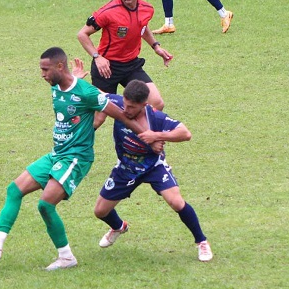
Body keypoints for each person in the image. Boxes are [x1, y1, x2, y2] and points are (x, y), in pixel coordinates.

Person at [0, 47, 154, 271]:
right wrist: (74, 76)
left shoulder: (87, 93)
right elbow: (67, 86)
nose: (42, 74)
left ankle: (66, 258)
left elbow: (121, 115)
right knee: (14, 190)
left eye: (45, 70)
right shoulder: (57, 85)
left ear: (59, 66)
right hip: (57, 154)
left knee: (46, 205)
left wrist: (148, 136)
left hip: (76, 157)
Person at [92, 79, 214, 262]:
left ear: (144, 105)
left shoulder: (156, 118)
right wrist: (75, 78)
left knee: (176, 202)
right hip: (126, 168)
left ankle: (202, 242)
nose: (126, 110)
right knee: (100, 211)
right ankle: (119, 227)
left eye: (132, 107)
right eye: (125, 104)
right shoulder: (117, 103)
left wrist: (156, 135)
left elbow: (185, 134)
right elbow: (94, 92)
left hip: (153, 166)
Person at [77, 0, 173, 123]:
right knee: (99, 118)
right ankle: (74, 144)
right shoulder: (108, 11)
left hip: (131, 66)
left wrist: (156, 47)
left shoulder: (147, 9)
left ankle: (134, 140)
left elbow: (142, 27)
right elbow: (82, 34)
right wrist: (97, 57)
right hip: (107, 68)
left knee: (157, 103)